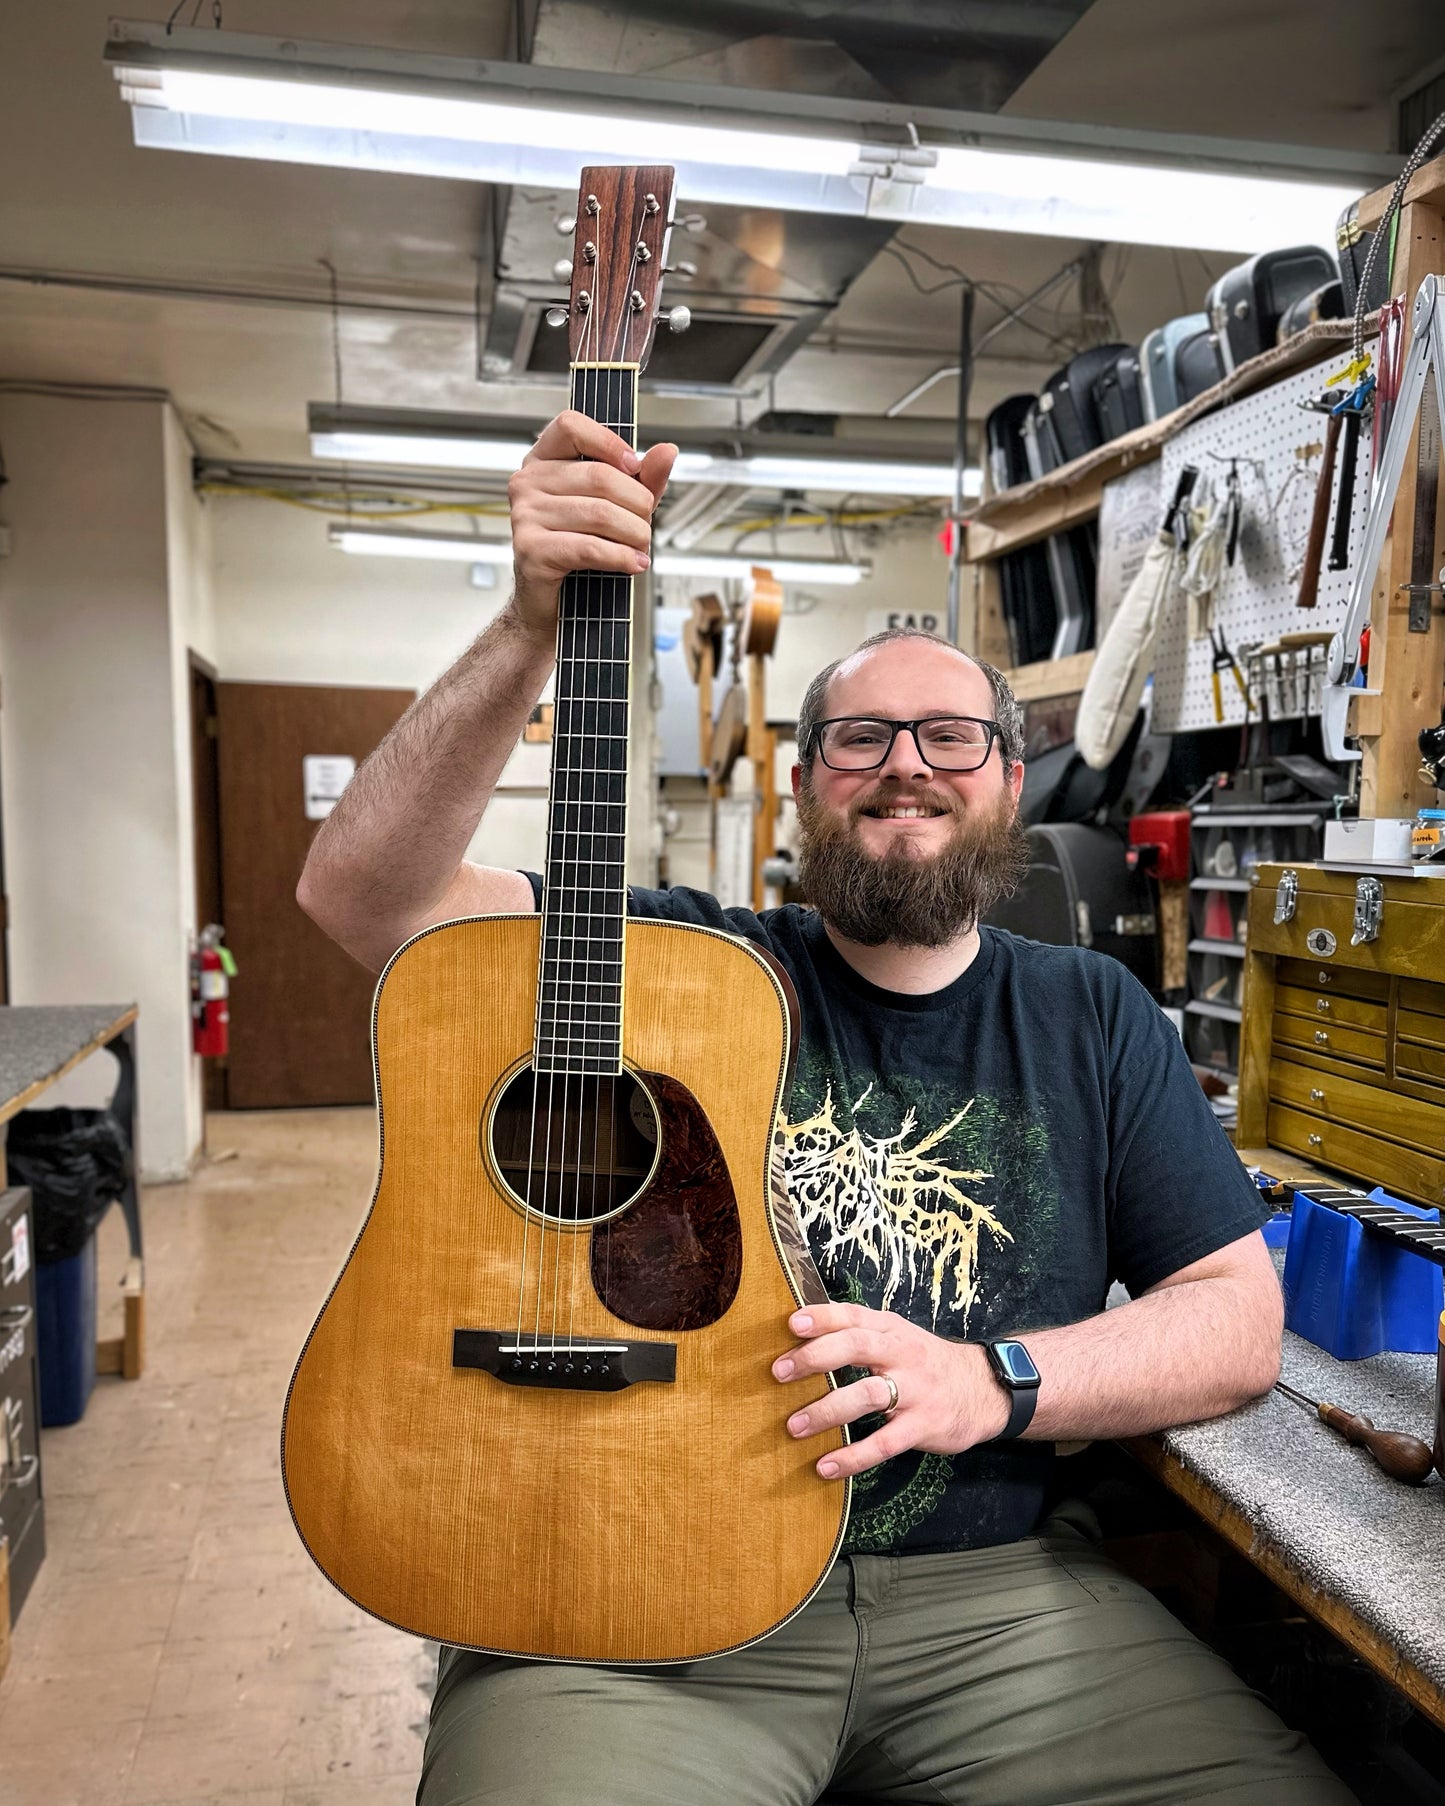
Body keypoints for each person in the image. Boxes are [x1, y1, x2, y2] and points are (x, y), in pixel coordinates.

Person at [298, 410, 1354, 1806]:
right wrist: (527, 626)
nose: (903, 764)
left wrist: (990, 1379)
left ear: (1008, 783)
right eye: (858, 737)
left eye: (946, 736)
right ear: (803, 784)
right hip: (629, 1592)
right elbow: (363, 900)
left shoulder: (1091, 1013)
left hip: (998, 1604)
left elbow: (1233, 1320)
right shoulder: (675, 970)